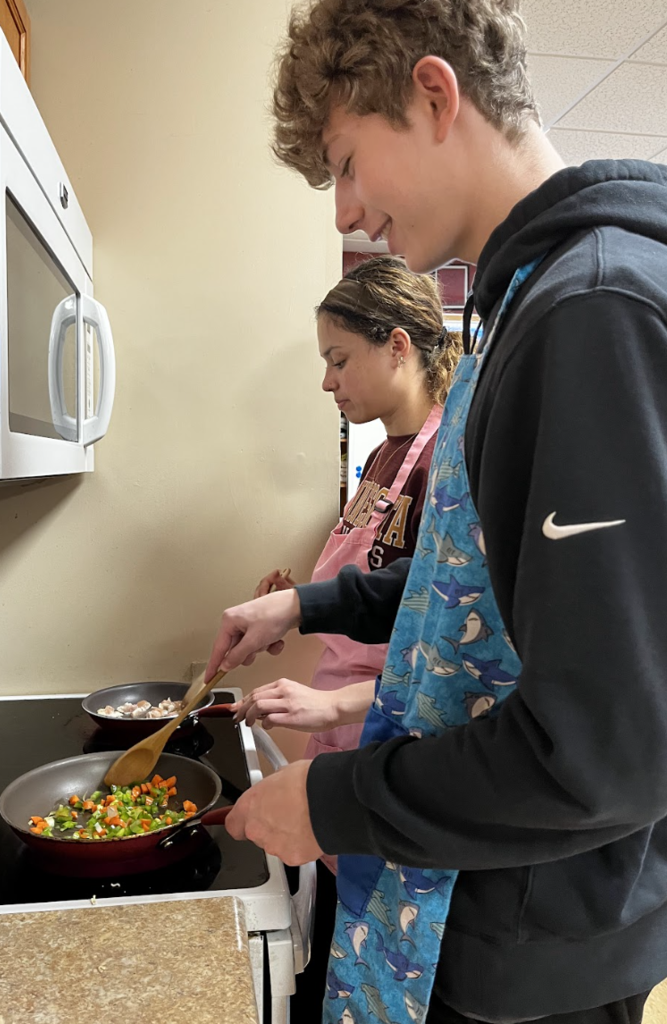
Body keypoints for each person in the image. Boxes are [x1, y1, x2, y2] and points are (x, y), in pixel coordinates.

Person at [205, 2, 667, 1024]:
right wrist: (312, 605)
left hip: (529, 949)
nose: (344, 212)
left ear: (431, 93)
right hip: (482, 904)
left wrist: (332, 800)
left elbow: (603, 749)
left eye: (345, 163)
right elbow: (479, 592)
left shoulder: (591, 315)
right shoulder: (522, 307)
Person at [241, 256, 461, 780]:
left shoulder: (450, 462)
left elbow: (446, 634)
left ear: (398, 347)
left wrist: (338, 702)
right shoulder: (385, 454)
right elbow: (375, 573)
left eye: (338, 360)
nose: (326, 382)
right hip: (343, 712)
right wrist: (295, 601)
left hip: (398, 726)